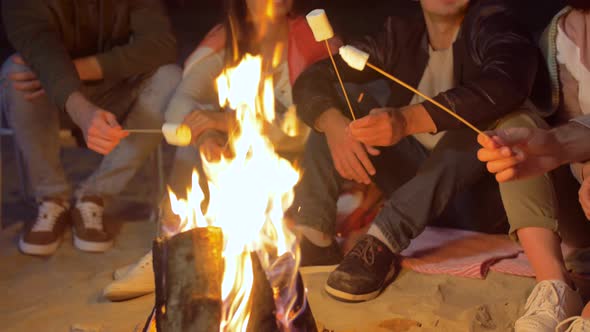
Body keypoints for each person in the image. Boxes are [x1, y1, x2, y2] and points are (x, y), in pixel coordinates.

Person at [291, 0, 584, 330]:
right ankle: (314, 241)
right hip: (415, 181)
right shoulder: (398, 34)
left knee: (488, 125)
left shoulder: (495, 24)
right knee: (340, 114)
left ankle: (382, 241)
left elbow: (507, 83)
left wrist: (407, 120)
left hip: (480, 197)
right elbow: (312, 77)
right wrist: (332, 124)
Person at [101, 0, 344, 301]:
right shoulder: (228, 41)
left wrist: (231, 121)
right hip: (251, 159)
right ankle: (173, 242)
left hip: (302, 168)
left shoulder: (310, 38)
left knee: (217, 127)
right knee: (197, 136)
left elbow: (305, 130)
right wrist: (207, 135)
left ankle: (183, 256)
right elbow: (179, 106)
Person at [1, 0, 181, 256]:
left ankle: (95, 195)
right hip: (49, 98)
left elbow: (161, 46)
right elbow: (41, 49)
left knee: (169, 76)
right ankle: (52, 199)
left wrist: (73, 69)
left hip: (114, 93)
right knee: (15, 71)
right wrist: (82, 110)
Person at [478, 1, 590, 329]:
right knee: (515, 129)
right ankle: (554, 288)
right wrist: (574, 161)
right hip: (582, 207)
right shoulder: (562, 35)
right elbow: (573, 127)